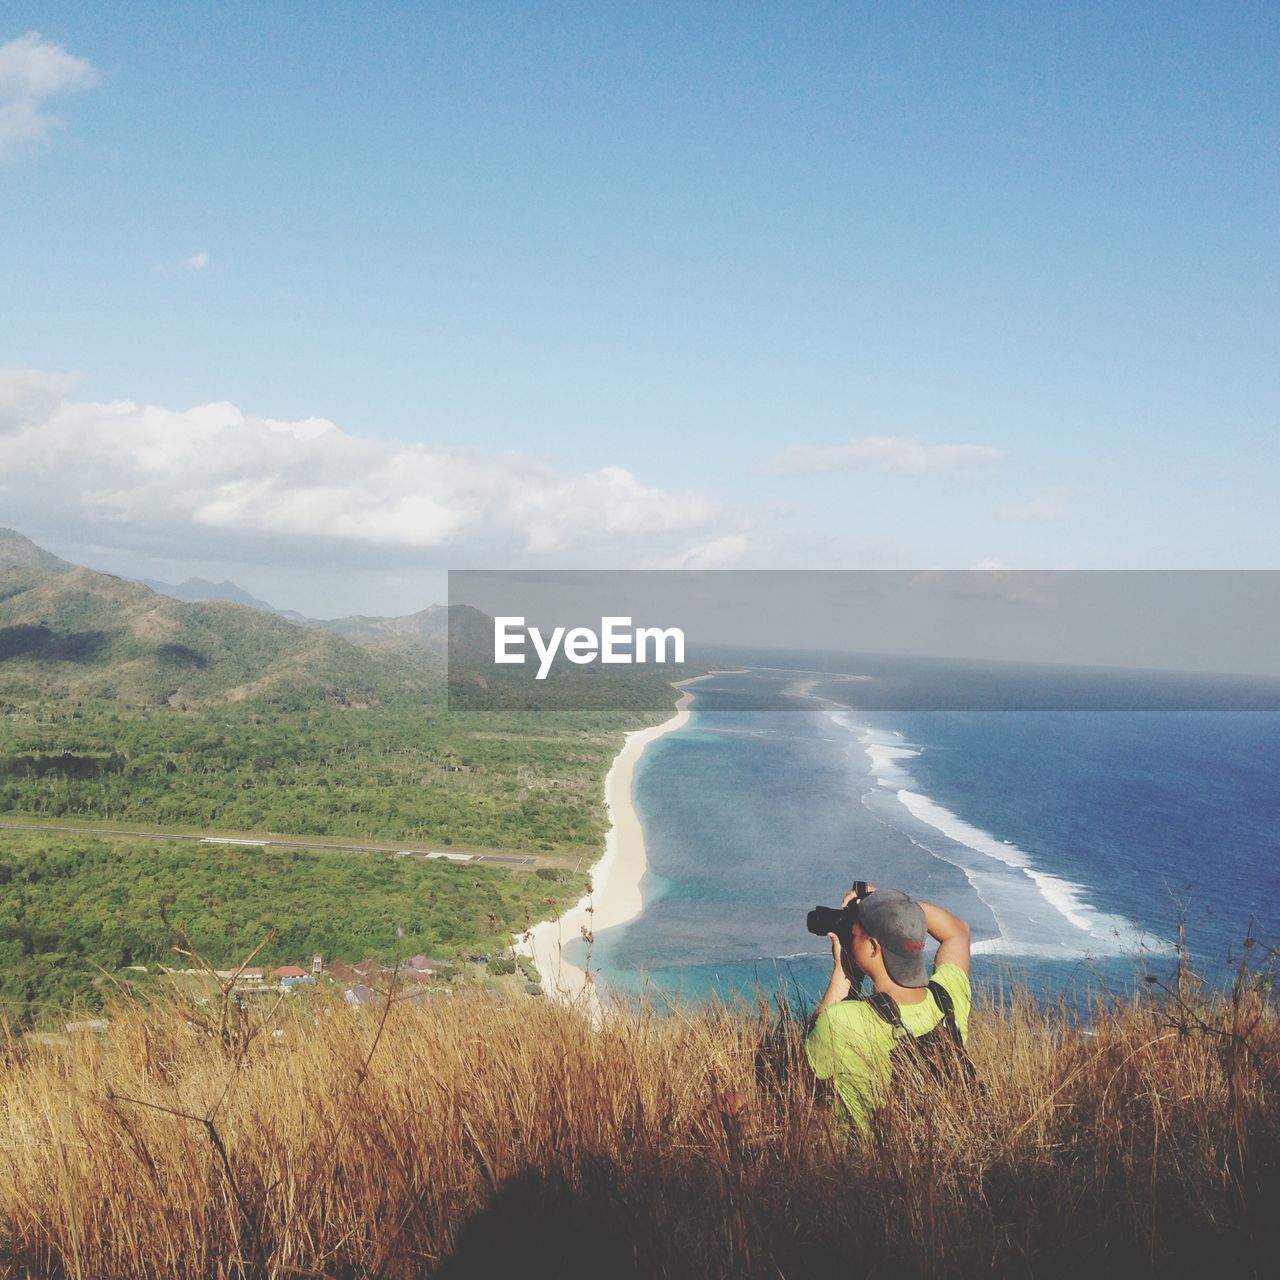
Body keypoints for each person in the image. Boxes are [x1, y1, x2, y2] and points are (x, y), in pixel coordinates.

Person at [805, 883, 973, 1132]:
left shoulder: (840, 1021)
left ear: (873, 947)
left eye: (856, 931)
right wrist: (895, 907)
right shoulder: (948, 996)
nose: (851, 930)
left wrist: (843, 974)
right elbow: (957, 932)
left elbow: (800, 1071)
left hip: (866, 1163)